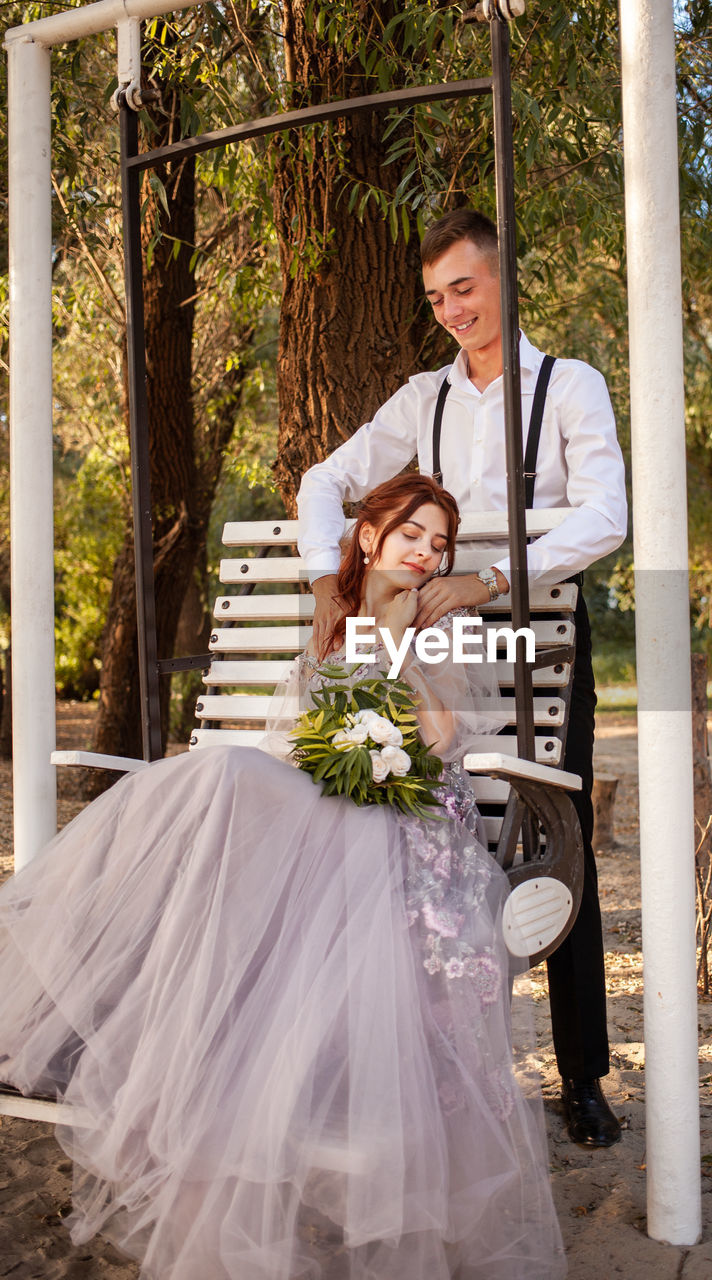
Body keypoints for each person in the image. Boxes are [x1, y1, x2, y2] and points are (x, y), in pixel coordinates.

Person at [0, 473, 566, 1280]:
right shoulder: (332, 620)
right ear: (369, 537)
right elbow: (297, 734)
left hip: (404, 819)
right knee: (219, 782)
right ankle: (91, 999)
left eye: (439, 543)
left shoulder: (441, 622)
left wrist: (400, 642)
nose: (427, 552)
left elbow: (438, 739)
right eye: (412, 533)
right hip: (327, 797)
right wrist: (342, 724)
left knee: (218, 780)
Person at [298, 208, 628, 1148]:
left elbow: (606, 514)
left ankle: (581, 1074)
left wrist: (488, 577)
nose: (450, 309)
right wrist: (328, 576)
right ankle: (389, 1060)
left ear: (503, 278)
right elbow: (325, 481)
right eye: (436, 296)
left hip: (539, 642)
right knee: (401, 823)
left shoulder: (570, 387)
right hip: (430, 650)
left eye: (464, 288)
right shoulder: (421, 399)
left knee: (551, 833)